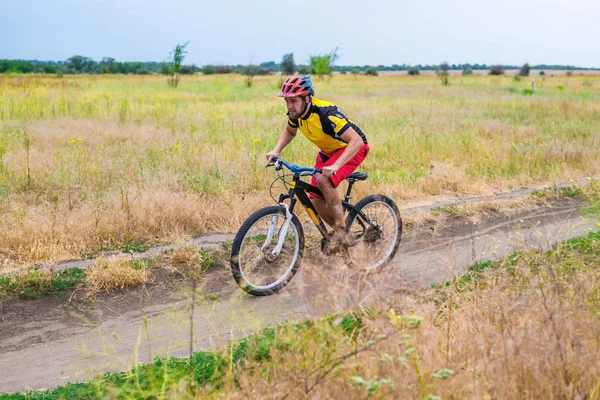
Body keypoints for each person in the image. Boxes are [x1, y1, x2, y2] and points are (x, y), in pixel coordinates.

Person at [266, 75, 369, 245]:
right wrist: (276, 151)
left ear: (307, 98)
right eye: (287, 101)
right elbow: (290, 131)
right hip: (328, 151)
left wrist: (336, 165)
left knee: (323, 179)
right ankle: (339, 235)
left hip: (353, 148)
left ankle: (343, 232)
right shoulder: (297, 114)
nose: (290, 106)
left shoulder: (326, 114)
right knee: (315, 198)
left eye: (293, 101)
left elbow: (356, 141)